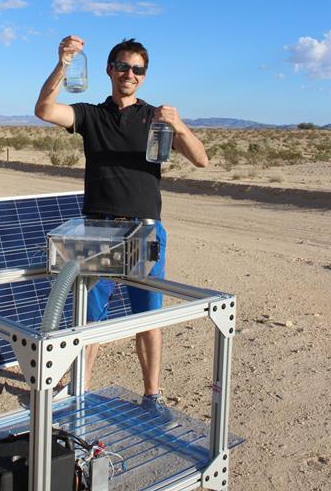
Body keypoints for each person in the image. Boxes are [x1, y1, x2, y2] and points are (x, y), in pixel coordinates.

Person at [35, 35, 208, 406]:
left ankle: (152, 394)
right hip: (97, 230)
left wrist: (179, 125)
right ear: (109, 70)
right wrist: (63, 63)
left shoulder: (156, 119)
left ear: (144, 76)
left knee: (147, 316)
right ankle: (78, 388)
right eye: (123, 67)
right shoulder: (90, 115)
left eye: (137, 69)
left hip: (145, 229)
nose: (129, 74)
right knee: (88, 319)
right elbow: (45, 109)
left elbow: (201, 159)